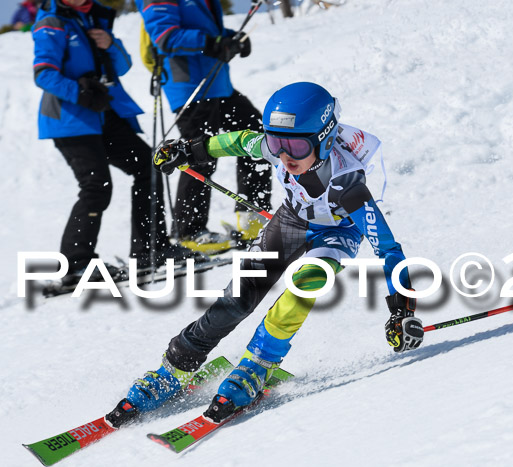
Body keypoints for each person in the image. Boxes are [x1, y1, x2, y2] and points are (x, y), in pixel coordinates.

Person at [108, 82, 425, 424]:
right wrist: (190, 151)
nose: (285, 156)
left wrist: (401, 310)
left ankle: (257, 365)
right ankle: (175, 366)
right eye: (276, 143)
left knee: (304, 288)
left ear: (326, 138)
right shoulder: (280, 149)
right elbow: (241, 140)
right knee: (238, 297)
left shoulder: (348, 185)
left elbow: (388, 249)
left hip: (336, 233)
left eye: (297, 146)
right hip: (291, 218)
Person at [32, 0, 201, 286]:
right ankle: (75, 264)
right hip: (70, 119)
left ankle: (151, 248)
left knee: (151, 168)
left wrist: (110, 43)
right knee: (96, 186)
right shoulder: (52, 22)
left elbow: (122, 66)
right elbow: (43, 73)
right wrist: (80, 92)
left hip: (104, 114)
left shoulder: (94, 17)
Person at [136, 0, 273, 253]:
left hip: (218, 84)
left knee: (257, 138)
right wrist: (212, 44)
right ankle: (189, 232)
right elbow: (165, 36)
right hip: (189, 88)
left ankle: (253, 219)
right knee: (198, 154)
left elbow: (206, 29)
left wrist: (232, 39)